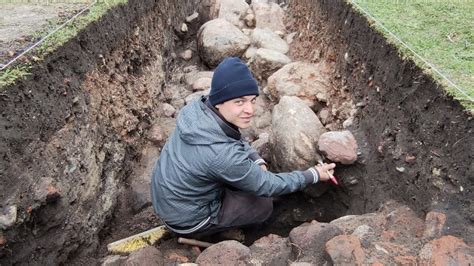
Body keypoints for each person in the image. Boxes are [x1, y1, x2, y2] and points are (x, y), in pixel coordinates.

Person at [151, 57, 335, 237]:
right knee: (263, 205)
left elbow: (232, 137)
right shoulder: (221, 154)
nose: (250, 110)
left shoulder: (197, 109)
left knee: (242, 172)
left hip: (168, 200)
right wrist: (313, 175)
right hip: (188, 221)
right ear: (219, 101)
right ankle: (220, 233)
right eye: (239, 102)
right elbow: (266, 185)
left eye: (252, 100)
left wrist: (256, 158)